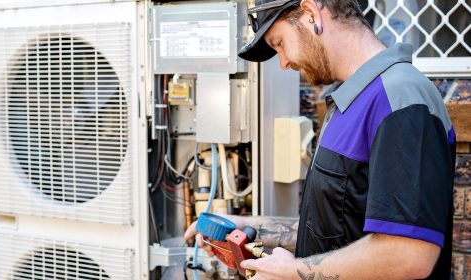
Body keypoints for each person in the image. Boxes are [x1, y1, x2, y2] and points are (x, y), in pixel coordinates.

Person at [185, 0, 456, 279]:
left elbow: (408, 254)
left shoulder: (399, 99)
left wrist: (293, 273)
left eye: (279, 43)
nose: (284, 61)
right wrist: (242, 225)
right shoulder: (349, 100)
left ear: (311, 13)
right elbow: (335, 231)